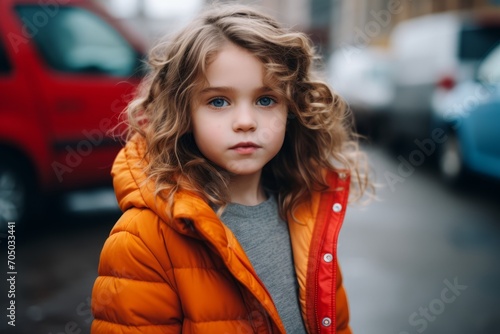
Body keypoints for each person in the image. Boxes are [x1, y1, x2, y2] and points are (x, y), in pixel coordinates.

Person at [91, 3, 372, 334]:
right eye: (218, 101)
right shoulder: (142, 241)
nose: (245, 122)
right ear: (183, 112)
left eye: (266, 100)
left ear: (292, 108)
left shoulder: (306, 210)